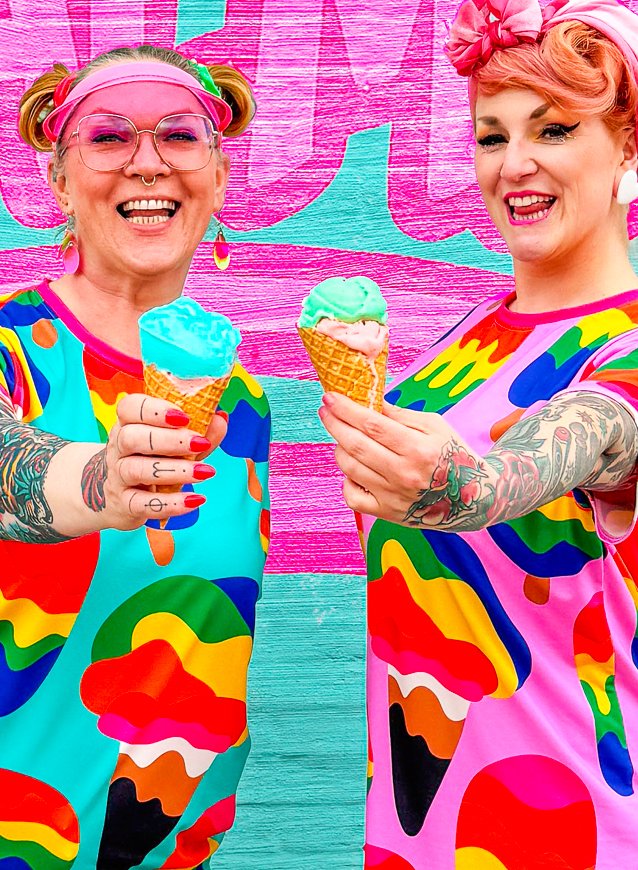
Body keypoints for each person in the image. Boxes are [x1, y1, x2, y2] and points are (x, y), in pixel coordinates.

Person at [319, 0, 638, 866]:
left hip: (574, 828)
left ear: (628, 146)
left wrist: (470, 485)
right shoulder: (461, 344)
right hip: (419, 833)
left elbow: (577, 435)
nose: (515, 164)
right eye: (492, 136)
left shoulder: (626, 348)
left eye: (554, 129)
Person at [0, 46, 270, 869]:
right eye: (109, 137)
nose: (147, 163)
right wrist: (100, 480)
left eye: (180, 136)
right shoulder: (11, 349)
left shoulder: (244, 405)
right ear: (59, 181)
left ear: (218, 180)